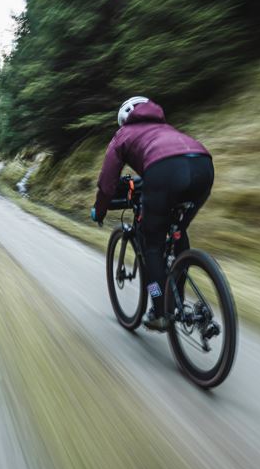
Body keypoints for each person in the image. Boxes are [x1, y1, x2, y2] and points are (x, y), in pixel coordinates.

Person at [91, 96, 213, 331]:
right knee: (177, 231)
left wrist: (100, 210)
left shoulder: (124, 134)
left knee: (152, 245)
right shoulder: (165, 127)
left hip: (164, 172)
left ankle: (160, 309)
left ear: (125, 118)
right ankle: (174, 289)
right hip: (203, 166)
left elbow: (107, 181)